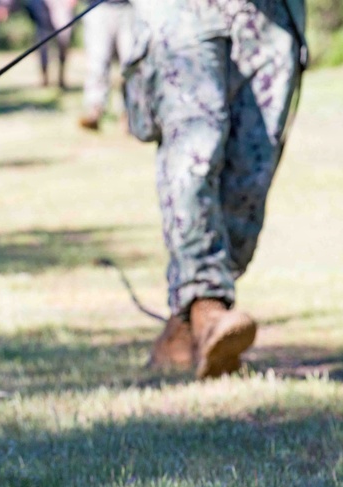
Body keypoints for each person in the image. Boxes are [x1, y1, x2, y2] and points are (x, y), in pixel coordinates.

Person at [125, 0, 307, 379]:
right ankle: (206, 303)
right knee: (196, 149)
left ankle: (187, 330)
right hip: (182, 12)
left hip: (270, 17)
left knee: (250, 174)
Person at [79, 0, 134, 130]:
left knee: (130, 65)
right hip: (98, 7)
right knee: (97, 62)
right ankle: (95, 110)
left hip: (129, 7)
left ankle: (129, 115)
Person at [24, 0, 76, 89]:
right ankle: (45, 78)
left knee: (63, 42)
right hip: (41, 6)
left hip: (62, 6)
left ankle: (61, 78)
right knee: (43, 43)